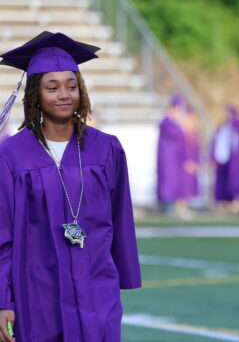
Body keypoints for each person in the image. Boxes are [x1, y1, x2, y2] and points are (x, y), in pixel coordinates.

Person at [0, 31, 141, 342]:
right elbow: (2, 233)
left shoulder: (106, 148)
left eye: (71, 86)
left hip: (95, 283)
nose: (64, 94)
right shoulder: (11, 155)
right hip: (35, 288)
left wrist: (122, 273)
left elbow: (121, 218)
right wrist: (2, 300)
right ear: (35, 95)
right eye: (52, 87)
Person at [156, 94, 187, 215]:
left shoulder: (170, 122)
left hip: (173, 158)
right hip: (167, 159)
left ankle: (171, 205)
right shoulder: (167, 122)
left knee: (173, 180)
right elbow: (175, 134)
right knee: (167, 181)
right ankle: (167, 206)